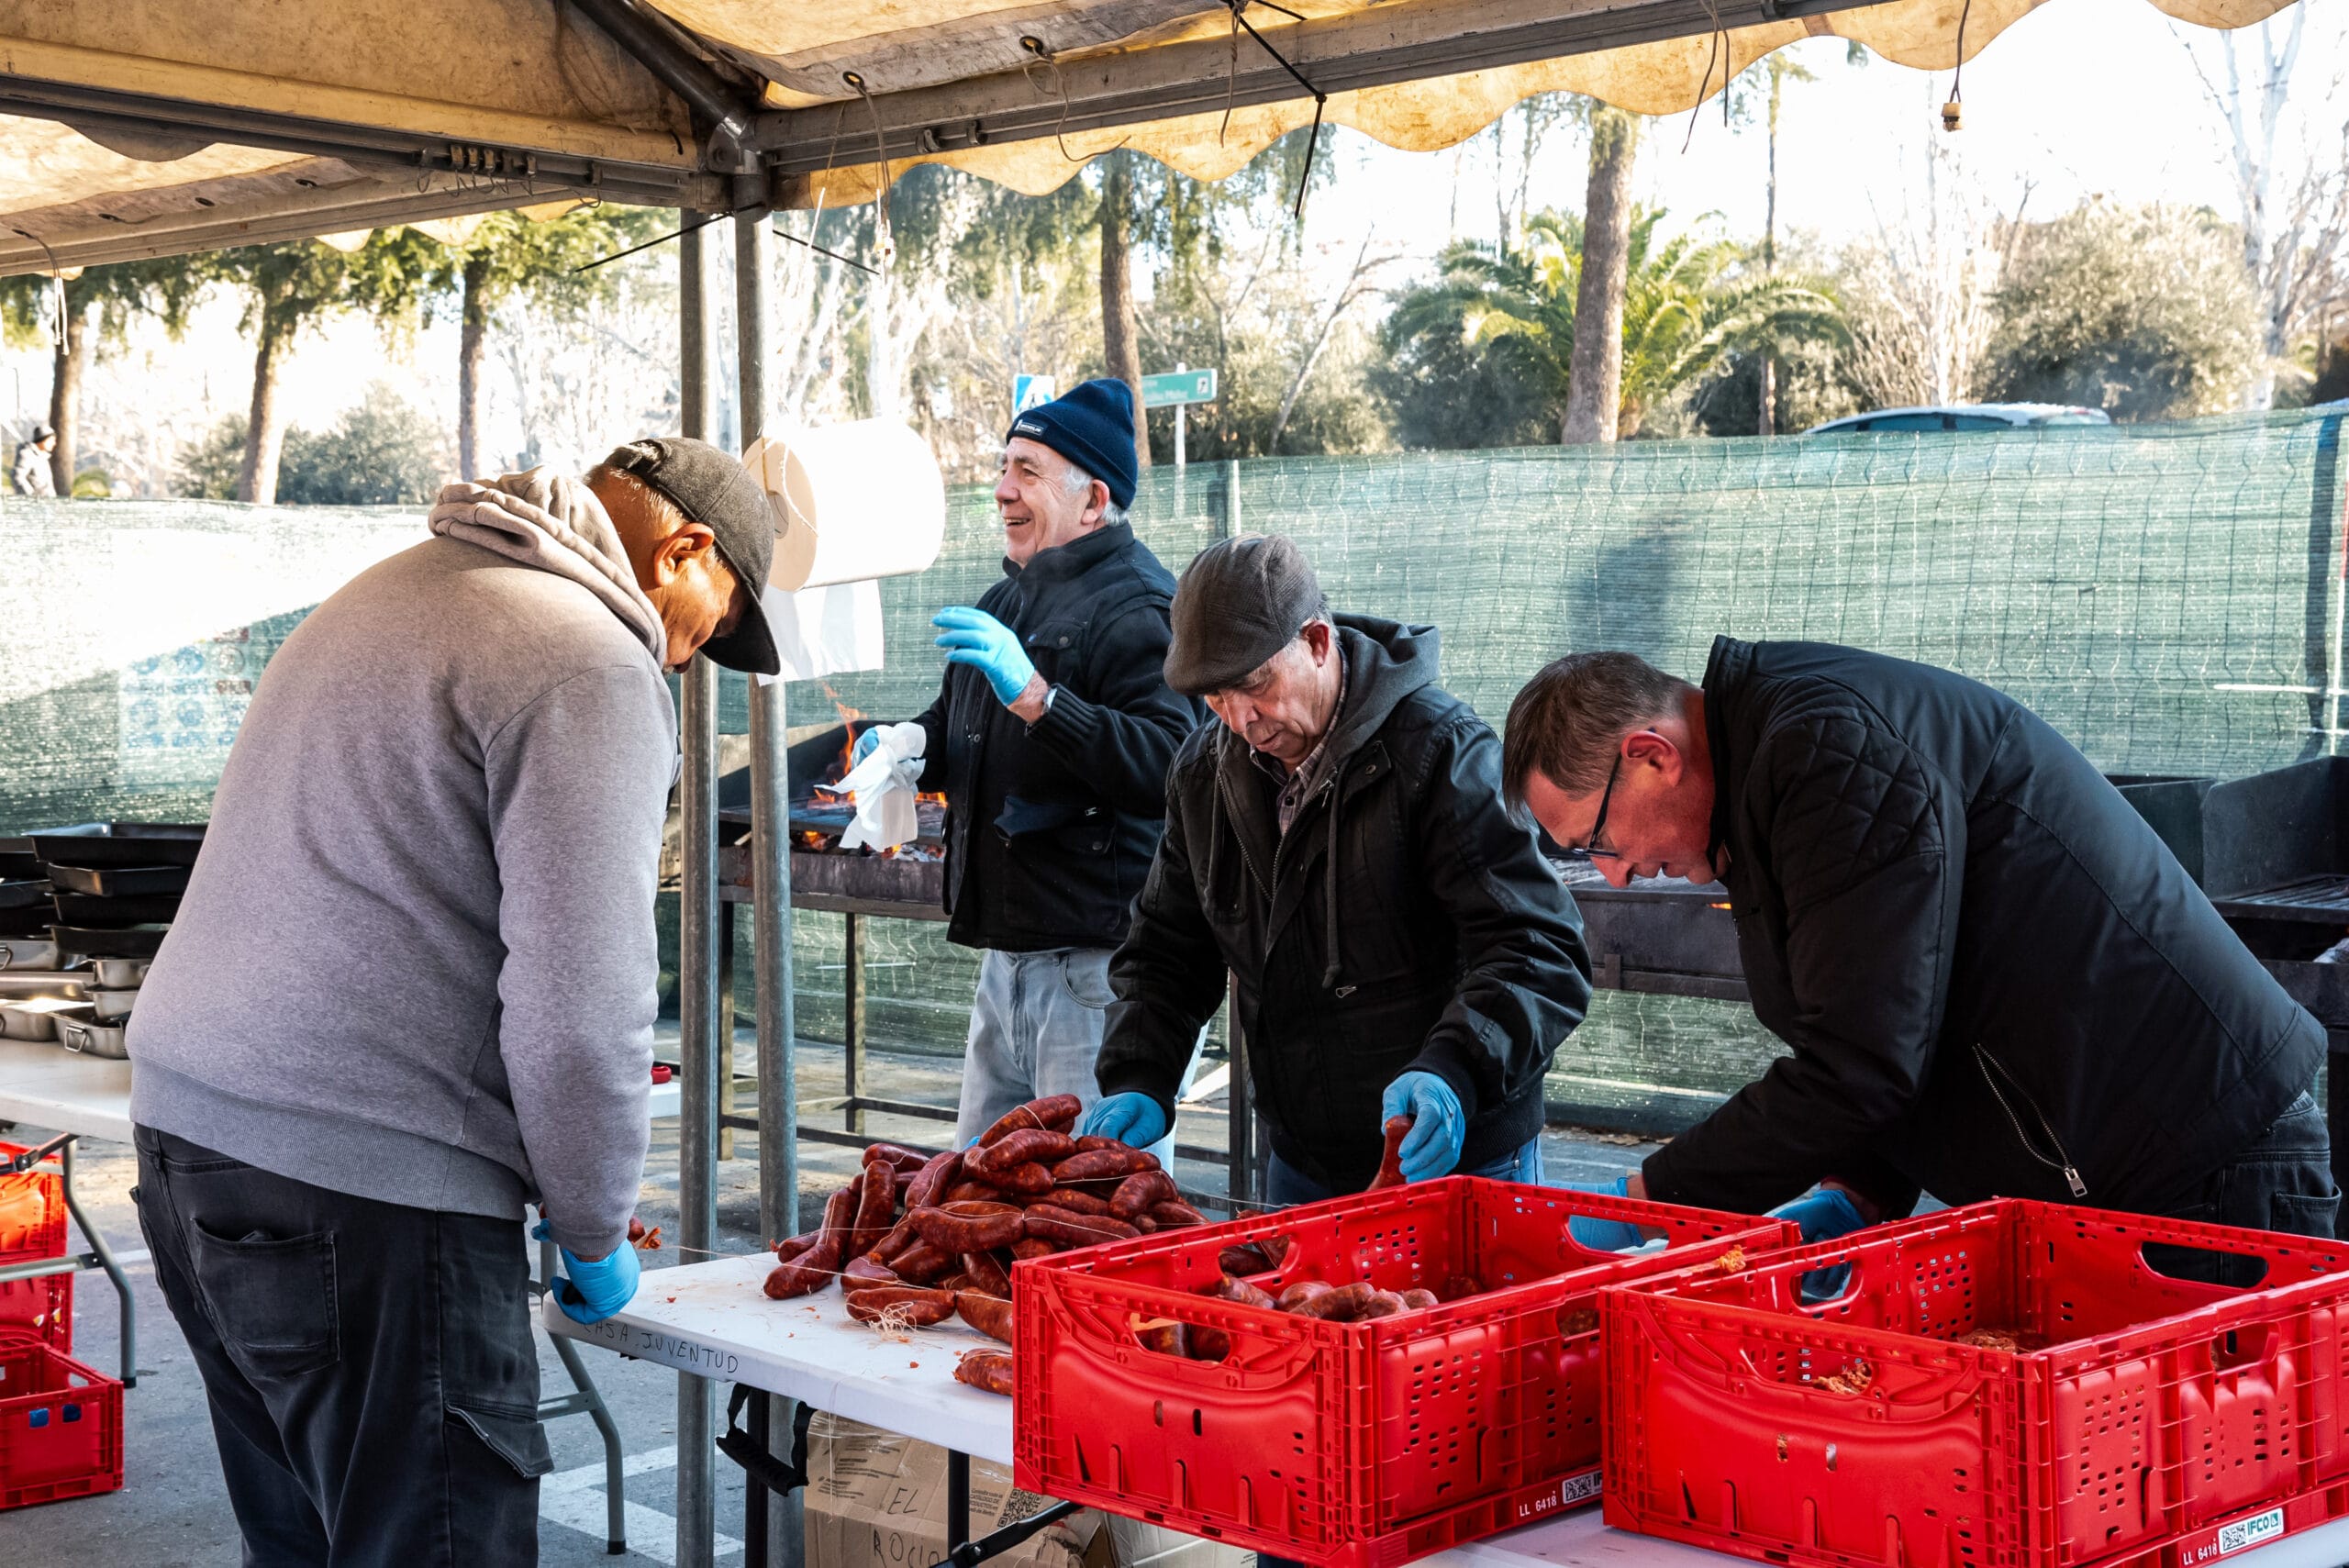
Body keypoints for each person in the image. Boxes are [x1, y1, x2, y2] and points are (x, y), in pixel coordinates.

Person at [127, 438, 785, 1564]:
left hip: (190, 1142)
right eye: (708, 625)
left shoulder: (387, 589)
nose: (686, 656)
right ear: (683, 549)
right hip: (369, 1192)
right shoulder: (587, 657)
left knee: (304, 1542)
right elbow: (582, 1013)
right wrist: (591, 1225)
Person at [1504, 639, 2333, 1256]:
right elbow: (1908, 996)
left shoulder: (1827, 753)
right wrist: (1862, 1187)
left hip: (2202, 1167)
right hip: (2123, 1170)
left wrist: (1653, 1194)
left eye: (1595, 839)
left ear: (1653, 756)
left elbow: (1861, 1061)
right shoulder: (1769, 774)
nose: (1612, 874)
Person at [1085, 534, 1594, 1199]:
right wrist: (1139, 1072)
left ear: (1318, 641)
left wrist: (1456, 1067)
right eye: (1214, 698)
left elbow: (1538, 946)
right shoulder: (1204, 773)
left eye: (1255, 684)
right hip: (1302, 1163)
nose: (1241, 719)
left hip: (1454, 1155)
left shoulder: (1439, 753)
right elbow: (1165, 950)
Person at [865, 378, 1202, 1147]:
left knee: (1095, 1195)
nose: (1001, 489)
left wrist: (1042, 699)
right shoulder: (1005, 600)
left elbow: (1174, 766)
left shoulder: (1144, 607)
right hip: (1006, 967)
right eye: (1004, 466)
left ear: (1093, 501)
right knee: (978, 1192)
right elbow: (959, 723)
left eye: (1027, 471)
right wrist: (907, 747)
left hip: (1097, 976)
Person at [12, 422, 55, 496]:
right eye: (52, 440)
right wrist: (31, 497)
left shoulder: (43, 458)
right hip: (34, 503)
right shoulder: (27, 454)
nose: (54, 443)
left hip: (46, 502)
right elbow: (17, 477)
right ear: (43, 439)